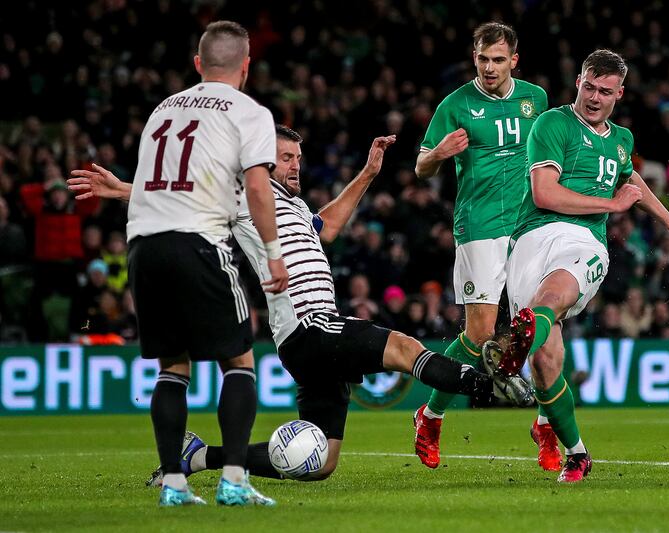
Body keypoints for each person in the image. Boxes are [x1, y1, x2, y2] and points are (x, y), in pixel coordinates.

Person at [68, 125, 530, 487]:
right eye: (286, 158)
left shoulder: (288, 203)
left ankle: (200, 457)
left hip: (305, 343)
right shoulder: (248, 194)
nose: (296, 165)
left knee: (322, 462)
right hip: (312, 326)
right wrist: (125, 189)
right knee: (405, 349)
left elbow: (325, 227)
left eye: (298, 158)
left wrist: (368, 174)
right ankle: (487, 388)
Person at [73, 21, 290, 507]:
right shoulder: (250, 112)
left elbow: (169, 185)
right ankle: (233, 480)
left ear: (198, 64)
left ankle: (174, 483)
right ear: (246, 66)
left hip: (144, 248)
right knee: (238, 359)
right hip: (199, 243)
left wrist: (122, 190)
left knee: (174, 366)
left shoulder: (162, 109)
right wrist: (275, 254)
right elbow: (257, 188)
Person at [486, 49, 669, 482]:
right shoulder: (552, 123)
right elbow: (545, 194)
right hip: (530, 239)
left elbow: (629, 178)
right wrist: (614, 204)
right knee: (547, 365)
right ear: (578, 82)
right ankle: (576, 449)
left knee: (550, 300)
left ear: (619, 93)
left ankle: (513, 352)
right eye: (589, 86)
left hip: (583, 241)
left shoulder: (622, 139)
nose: (595, 97)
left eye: (605, 91)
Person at [412, 22, 548, 469]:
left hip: (528, 226)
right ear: (474, 58)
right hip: (480, 226)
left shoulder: (536, 100)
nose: (489, 68)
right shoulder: (455, 105)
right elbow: (420, 168)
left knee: (544, 326)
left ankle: (547, 427)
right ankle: (430, 416)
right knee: (479, 334)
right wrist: (438, 154)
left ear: (514, 60)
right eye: (483, 59)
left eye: (498, 60)